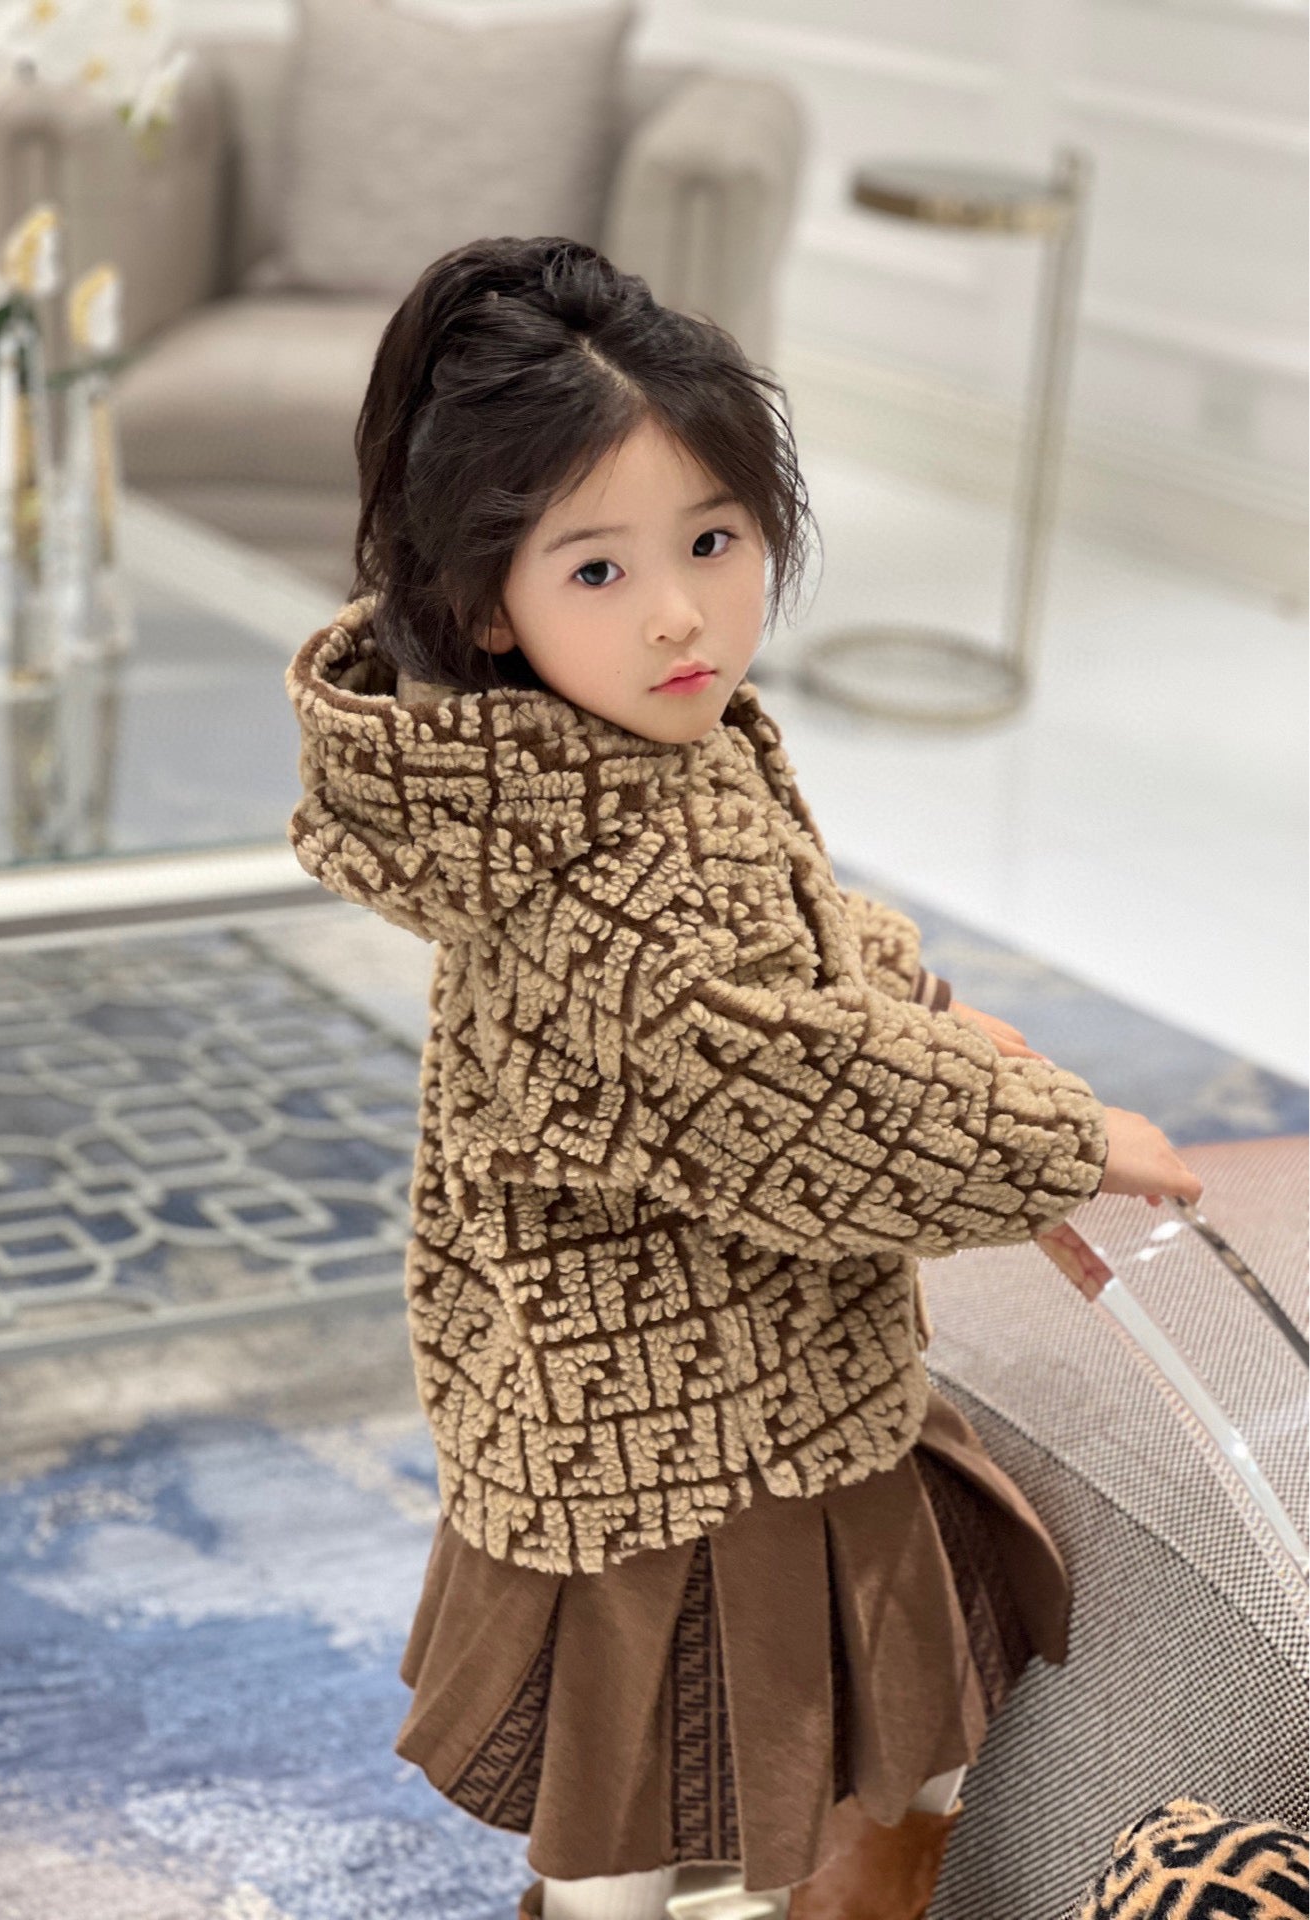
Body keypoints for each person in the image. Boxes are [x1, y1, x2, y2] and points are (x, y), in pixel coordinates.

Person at [283, 234, 1204, 1920]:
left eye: (712, 539)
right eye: (597, 569)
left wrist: (927, 1010)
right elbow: (794, 1093)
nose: (680, 612)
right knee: (642, 1797)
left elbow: (793, 940)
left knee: (853, 1735)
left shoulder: (627, 747)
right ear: (486, 601)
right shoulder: (584, 887)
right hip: (665, 1420)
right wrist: (1060, 1143)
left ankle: (847, 1883)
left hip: (747, 1356)